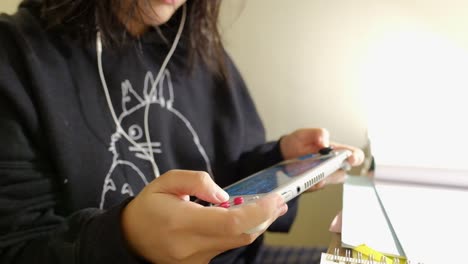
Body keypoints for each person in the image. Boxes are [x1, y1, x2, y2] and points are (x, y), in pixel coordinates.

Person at [0, 0, 364, 263]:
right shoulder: (15, 56)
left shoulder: (197, 51)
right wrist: (126, 238)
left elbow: (221, 178)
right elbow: (17, 245)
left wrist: (280, 161)